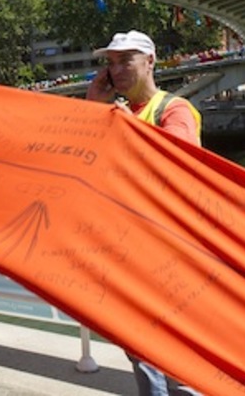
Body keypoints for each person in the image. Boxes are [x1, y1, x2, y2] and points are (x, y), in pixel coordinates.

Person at [86, 29, 201, 396]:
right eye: (111, 62)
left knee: (171, 359)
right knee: (142, 353)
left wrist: (126, 127)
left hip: (170, 257)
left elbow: (177, 165)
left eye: (125, 60)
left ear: (150, 62)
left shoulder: (174, 109)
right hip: (131, 252)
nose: (116, 69)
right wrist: (94, 108)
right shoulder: (116, 114)